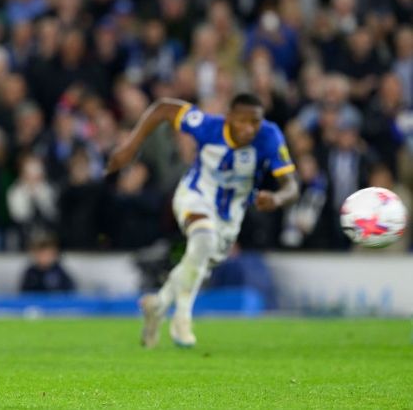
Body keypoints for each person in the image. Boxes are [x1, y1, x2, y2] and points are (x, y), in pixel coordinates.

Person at [106, 93, 299, 348]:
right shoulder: (207, 126)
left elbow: (292, 187)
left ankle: (159, 304)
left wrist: (276, 199)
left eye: (255, 122)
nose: (249, 129)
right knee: (203, 239)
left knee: (197, 262)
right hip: (195, 195)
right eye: (243, 121)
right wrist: (131, 146)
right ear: (229, 117)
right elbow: (164, 108)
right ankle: (182, 319)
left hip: (230, 214)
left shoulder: (270, 136)